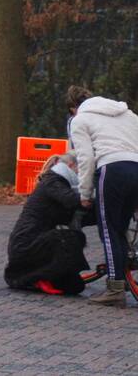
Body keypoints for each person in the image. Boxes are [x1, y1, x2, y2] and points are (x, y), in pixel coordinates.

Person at [66, 85, 138, 306]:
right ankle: (122, 277)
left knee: (109, 230)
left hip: (112, 169)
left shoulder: (79, 119)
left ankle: (115, 289)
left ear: (73, 108)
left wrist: (85, 193)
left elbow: (86, 158)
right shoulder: (128, 114)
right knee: (121, 228)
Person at [4, 153, 89, 295]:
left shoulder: (59, 182)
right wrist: (91, 196)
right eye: (81, 170)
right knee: (71, 238)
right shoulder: (52, 182)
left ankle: (45, 276)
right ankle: (36, 277)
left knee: (75, 286)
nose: (83, 175)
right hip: (26, 245)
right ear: (71, 165)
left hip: (33, 242)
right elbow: (72, 200)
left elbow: (74, 212)